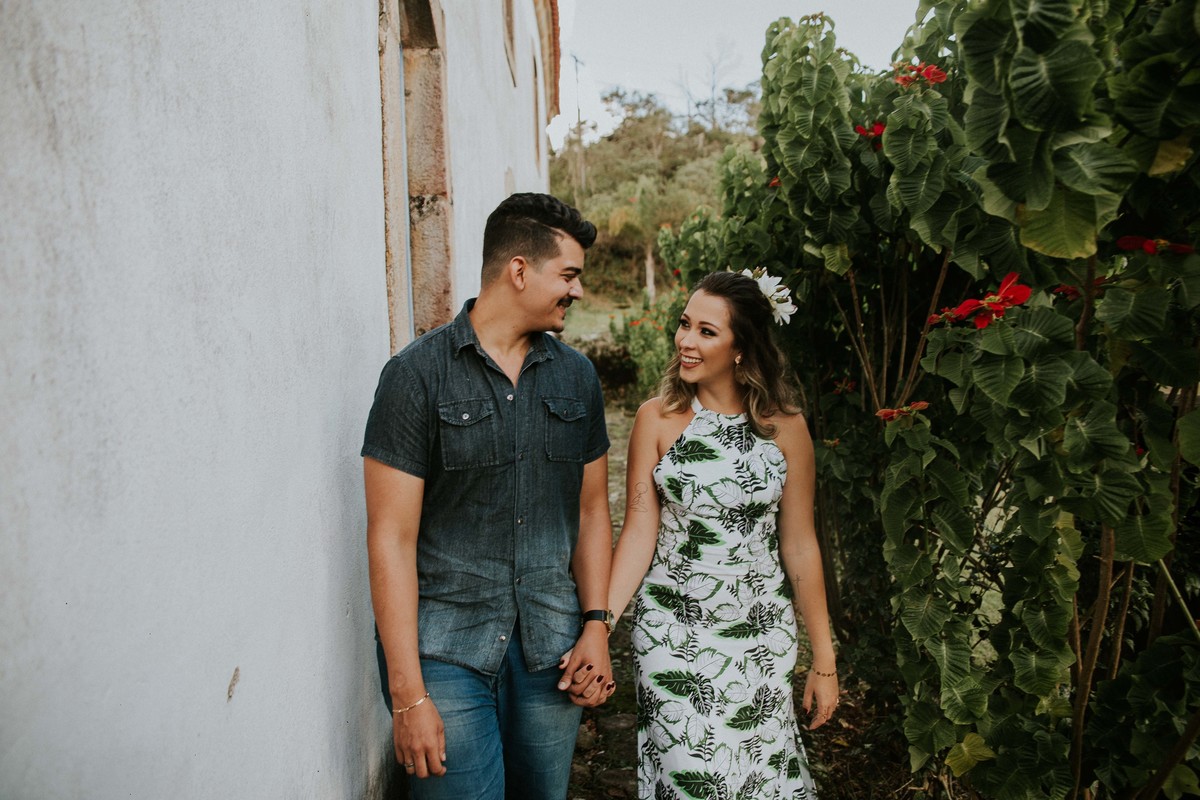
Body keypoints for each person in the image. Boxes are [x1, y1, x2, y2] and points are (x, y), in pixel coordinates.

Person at [361, 192, 615, 799]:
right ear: (519, 270)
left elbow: (590, 511)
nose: (577, 291)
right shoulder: (415, 376)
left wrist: (597, 626)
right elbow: (390, 539)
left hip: (553, 650)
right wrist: (407, 695)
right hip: (445, 653)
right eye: (569, 275)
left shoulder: (577, 376)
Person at [607, 270, 838, 799]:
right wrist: (601, 624)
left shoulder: (785, 429)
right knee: (695, 780)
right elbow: (640, 531)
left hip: (760, 633)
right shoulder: (657, 420)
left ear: (742, 348)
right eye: (685, 325)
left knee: (759, 779)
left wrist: (823, 660)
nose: (686, 341)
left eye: (707, 331)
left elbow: (800, 544)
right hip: (672, 631)